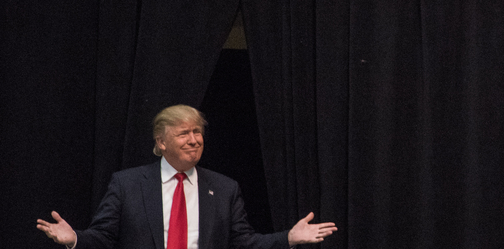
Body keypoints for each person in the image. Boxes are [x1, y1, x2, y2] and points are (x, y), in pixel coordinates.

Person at [36, 105, 337, 248]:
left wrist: (288, 238)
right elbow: (102, 237)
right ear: (161, 142)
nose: (194, 139)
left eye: (198, 132)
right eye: (184, 133)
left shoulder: (223, 188)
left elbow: (245, 243)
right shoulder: (127, 185)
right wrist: (75, 239)